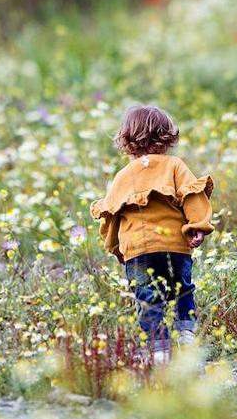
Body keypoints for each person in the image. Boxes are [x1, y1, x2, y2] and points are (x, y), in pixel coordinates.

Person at [90, 105, 214, 364]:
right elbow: (193, 196)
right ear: (167, 137)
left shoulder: (123, 176)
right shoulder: (175, 166)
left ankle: (158, 350)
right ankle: (186, 334)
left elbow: (112, 217)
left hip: (138, 248)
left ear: (127, 141)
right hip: (175, 245)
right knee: (182, 288)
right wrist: (197, 226)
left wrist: (116, 249)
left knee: (147, 297)